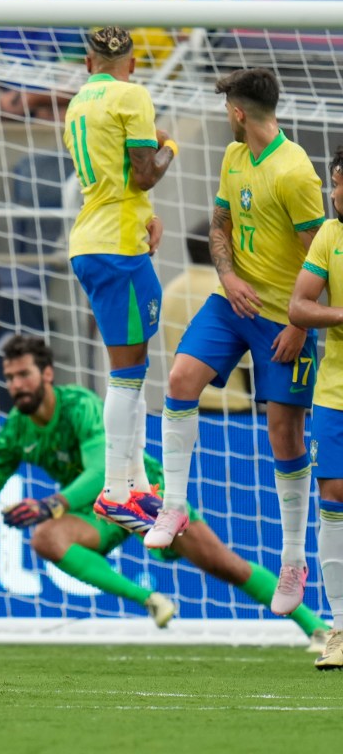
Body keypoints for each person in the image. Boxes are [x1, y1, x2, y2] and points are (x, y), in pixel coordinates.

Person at [0, 335, 330, 648]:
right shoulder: (15, 429)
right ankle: (151, 600)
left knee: (227, 567)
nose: (15, 385)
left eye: (23, 375)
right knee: (46, 537)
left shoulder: (79, 405)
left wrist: (53, 502)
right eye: (9, 377)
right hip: (97, 511)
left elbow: (102, 467)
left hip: (145, 496)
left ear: (46, 374)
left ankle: (316, 628)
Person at [148, 70, 323, 622]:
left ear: (238, 112)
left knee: (284, 433)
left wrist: (300, 322)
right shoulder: (232, 157)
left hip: (283, 318)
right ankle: (173, 506)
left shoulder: (295, 173)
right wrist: (227, 277)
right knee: (178, 380)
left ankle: (294, 559)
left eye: (228, 106)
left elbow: (322, 257)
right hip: (235, 304)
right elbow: (219, 226)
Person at [62, 26, 175, 529]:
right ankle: (115, 489)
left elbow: (121, 183)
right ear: (131, 63)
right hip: (116, 249)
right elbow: (145, 172)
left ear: (88, 64)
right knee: (126, 375)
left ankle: (138, 485)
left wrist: (144, 214)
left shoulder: (76, 105)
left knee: (134, 367)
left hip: (97, 239)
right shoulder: (133, 94)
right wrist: (172, 147)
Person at [290, 146, 343, 668]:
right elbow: (299, 305)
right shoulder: (330, 235)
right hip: (335, 389)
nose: (332, 193)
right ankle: (341, 628)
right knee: (332, 493)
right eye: (331, 183)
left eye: (338, 183)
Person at [160, 222, 251, 413]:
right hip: (232, 407)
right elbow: (247, 361)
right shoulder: (230, 290)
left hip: (183, 402)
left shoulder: (170, 291)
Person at [112, 0, 188, 70]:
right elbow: (99, 42)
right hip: (122, 75)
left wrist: (167, 19)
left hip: (172, 77)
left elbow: (190, 43)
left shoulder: (184, 3)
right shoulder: (112, 3)